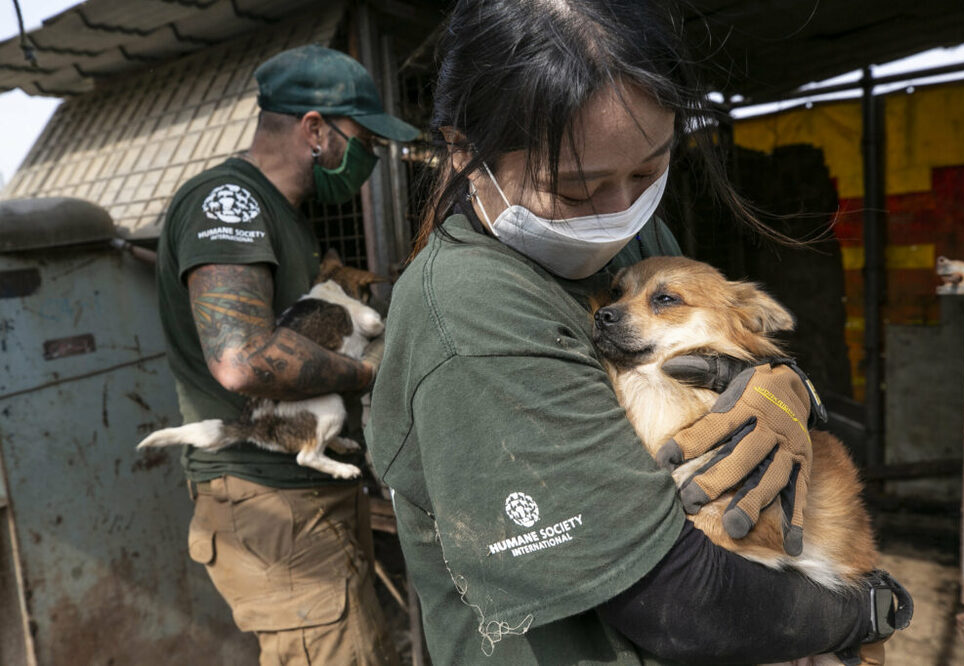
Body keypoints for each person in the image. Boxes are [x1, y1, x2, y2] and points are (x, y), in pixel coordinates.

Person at [366, 2, 907, 664]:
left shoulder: (635, 242)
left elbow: (717, 341)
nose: (621, 212)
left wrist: (778, 382)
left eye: (648, 172)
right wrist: (863, 612)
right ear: (463, 155)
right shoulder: (473, 307)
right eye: (576, 189)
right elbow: (682, 605)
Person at [155, 45, 417, 665]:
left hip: (304, 492)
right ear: (315, 131)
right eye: (363, 140)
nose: (369, 157)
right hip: (271, 503)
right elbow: (242, 359)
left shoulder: (287, 215)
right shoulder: (229, 203)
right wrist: (369, 373)